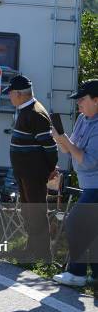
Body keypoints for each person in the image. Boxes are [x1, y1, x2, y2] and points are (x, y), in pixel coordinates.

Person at [4, 75, 58, 260]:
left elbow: (49, 146)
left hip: (33, 173)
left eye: (10, 93)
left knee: (36, 212)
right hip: (24, 172)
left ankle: (43, 256)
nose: (9, 97)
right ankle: (31, 249)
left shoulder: (35, 113)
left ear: (19, 94)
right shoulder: (25, 110)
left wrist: (51, 167)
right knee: (28, 212)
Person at [52, 79, 98, 287]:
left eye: (82, 99)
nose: (78, 103)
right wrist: (60, 139)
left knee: (75, 223)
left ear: (96, 100)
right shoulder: (83, 119)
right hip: (89, 185)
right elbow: (69, 151)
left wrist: (67, 142)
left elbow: (88, 162)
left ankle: (77, 273)